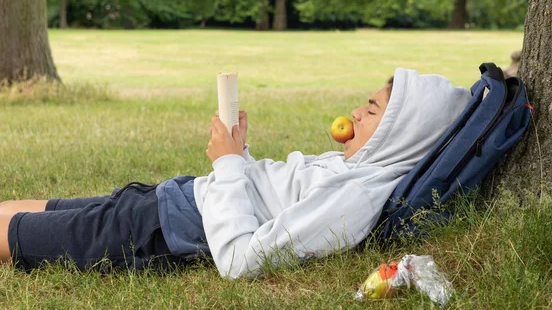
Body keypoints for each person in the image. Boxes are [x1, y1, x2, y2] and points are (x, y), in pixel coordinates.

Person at [0, 68, 472, 279]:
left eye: (371, 110)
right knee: (43, 210)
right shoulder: (356, 167)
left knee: (22, 234)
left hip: (162, 231)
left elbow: (240, 260)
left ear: (399, 133)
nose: (354, 112)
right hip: (172, 199)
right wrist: (241, 155)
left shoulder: (355, 199)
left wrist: (227, 163)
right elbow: (270, 195)